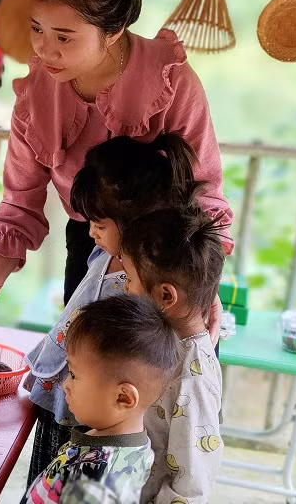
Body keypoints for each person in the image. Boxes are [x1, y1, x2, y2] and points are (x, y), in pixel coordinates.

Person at [0, 0, 233, 369]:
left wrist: (203, 287)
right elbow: (19, 207)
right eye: (37, 28)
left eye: (64, 37)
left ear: (113, 31)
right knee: (83, 386)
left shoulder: (173, 84)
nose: (43, 49)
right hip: (90, 244)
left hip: (172, 257)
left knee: (165, 395)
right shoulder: (36, 99)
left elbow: (205, 195)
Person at [23, 133, 202, 482]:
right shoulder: (105, 253)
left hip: (96, 416)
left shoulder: (141, 288)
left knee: (72, 484)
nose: (90, 232)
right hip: (70, 397)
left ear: (136, 224)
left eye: (99, 224)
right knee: (49, 480)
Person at [21, 294, 180, 504]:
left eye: (74, 375)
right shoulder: (133, 445)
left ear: (123, 398)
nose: (65, 384)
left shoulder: (92, 484)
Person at [121, 205, 226, 503]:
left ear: (166, 296)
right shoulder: (162, 339)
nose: (125, 289)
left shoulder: (192, 379)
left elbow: (193, 483)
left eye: (128, 280)